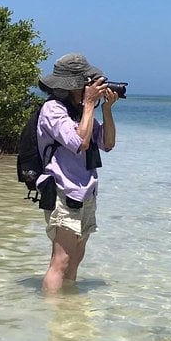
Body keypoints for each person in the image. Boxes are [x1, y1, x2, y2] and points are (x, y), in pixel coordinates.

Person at [36, 53, 118, 292]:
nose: (93, 86)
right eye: (88, 82)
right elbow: (79, 142)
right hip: (63, 191)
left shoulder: (81, 111)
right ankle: (52, 317)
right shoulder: (52, 109)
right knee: (60, 261)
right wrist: (91, 104)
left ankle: (69, 314)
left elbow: (108, 144)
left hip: (87, 192)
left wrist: (107, 110)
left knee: (76, 258)